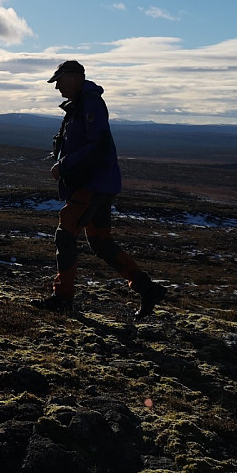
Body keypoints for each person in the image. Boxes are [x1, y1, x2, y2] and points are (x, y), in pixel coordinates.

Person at [31, 60, 166, 319]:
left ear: (73, 77)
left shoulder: (89, 103)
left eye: (59, 81)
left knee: (65, 231)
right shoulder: (80, 104)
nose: (56, 87)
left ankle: (62, 298)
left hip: (93, 184)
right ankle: (148, 289)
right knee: (101, 243)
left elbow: (98, 146)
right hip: (99, 184)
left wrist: (65, 164)